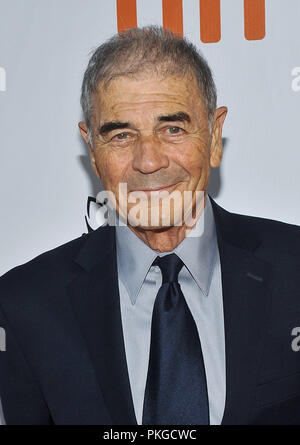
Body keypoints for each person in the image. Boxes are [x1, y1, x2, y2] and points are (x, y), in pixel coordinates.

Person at [1, 26, 300, 426]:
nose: (148, 161)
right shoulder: (24, 307)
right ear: (92, 151)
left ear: (213, 136)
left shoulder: (294, 269)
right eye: (121, 135)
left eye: (172, 129)